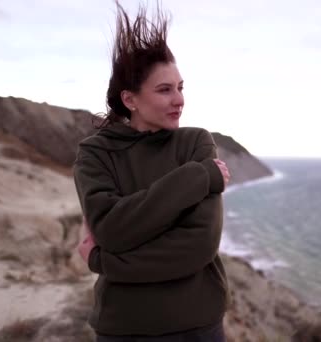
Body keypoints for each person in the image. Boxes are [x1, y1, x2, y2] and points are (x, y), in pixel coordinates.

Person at [72, 3, 231, 341]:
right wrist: (198, 177)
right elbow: (113, 229)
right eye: (164, 89)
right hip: (125, 329)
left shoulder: (195, 142)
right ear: (130, 99)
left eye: (181, 87)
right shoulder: (96, 154)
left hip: (198, 325)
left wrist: (105, 261)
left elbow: (199, 244)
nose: (179, 100)